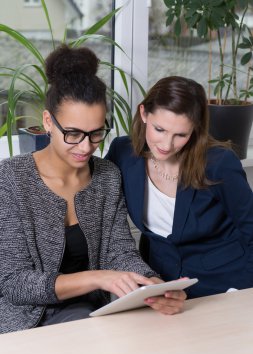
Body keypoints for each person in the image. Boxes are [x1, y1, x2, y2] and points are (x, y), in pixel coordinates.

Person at [0, 47, 187, 334]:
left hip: (91, 316)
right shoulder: (11, 179)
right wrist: (98, 278)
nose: (86, 147)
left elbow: (120, 252)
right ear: (48, 122)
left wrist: (152, 284)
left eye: (96, 133)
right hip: (24, 325)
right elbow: (15, 284)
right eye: (73, 134)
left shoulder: (107, 177)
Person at [106, 75, 253, 299]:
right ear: (144, 113)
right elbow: (92, 189)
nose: (166, 145)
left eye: (181, 135)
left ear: (194, 129)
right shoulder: (123, 153)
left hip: (226, 284)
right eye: (160, 129)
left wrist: (241, 294)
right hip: (161, 284)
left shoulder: (219, 164)